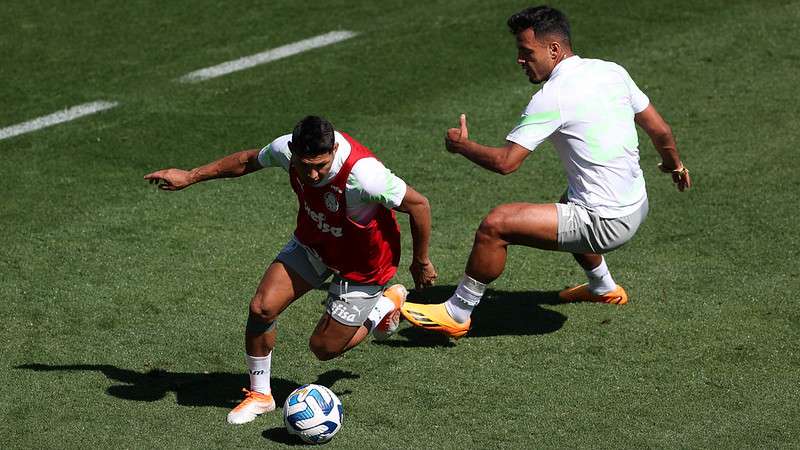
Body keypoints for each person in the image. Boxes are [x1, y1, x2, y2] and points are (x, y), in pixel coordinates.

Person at [401, 5, 690, 339]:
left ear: (554, 50)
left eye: (526, 52)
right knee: (569, 201)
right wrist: (675, 166)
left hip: (606, 223)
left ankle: (457, 312)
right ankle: (603, 287)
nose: (520, 61)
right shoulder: (611, 71)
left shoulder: (552, 97)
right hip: (638, 206)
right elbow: (661, 132)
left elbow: (506, 163)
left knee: (497, 225)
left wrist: (461, 146)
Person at [144, 115, 437, 424]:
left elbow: (419, 205)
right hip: (315, 243)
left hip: (363, 265)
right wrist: (191, 176)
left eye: (320, 166)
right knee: (261, 308)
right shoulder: (285, 149)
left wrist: (421, 261)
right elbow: (246, 161)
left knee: (323, 349)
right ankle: (261, 395)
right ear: (293, 150)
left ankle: (383, 306)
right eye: (304, 164)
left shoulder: (365, 176)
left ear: (334, 149)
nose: (311, 174)